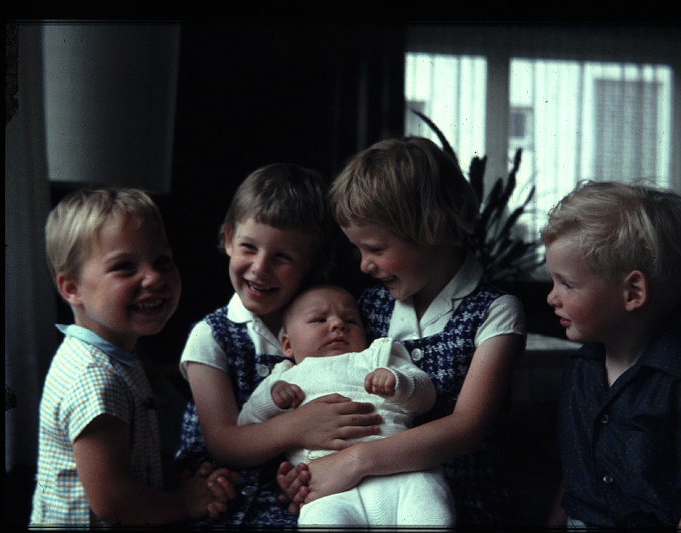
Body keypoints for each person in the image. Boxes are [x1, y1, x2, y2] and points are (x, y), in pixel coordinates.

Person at [278, 137, 527, 527]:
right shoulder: (368, 307)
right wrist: (309, 473)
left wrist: (352, 462)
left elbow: (466, 427)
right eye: (358, 250)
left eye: (375, 248)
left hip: (461, 504)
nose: (364, 265)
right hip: (359, 496)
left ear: (433, 228)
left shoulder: (495, 313)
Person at [172, 164, 384, 527]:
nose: (259, 268)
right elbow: (224, 444)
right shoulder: (212, 336)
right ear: (227, 239)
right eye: (248, 247)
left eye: (282, 257)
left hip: (307, 493)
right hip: (227, 499)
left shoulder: (330, 323)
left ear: (312, 264)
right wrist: (299, 425)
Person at [542, 180, 681, 529]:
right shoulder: (579, 372)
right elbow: (575, 474)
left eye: (567, 284)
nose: (552, 297)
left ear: (633, 292)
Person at [30, 188, 239, 528]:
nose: (154, 277)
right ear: (72, 289)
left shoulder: (115, 358)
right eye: (125, 267)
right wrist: (184, 503)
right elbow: (114, 503)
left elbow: (127, 461)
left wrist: (172, 481)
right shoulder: (96, 378)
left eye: (162, 261)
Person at [238, 283, 455, 526]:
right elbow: (246, 423)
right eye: (319, 320)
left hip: (402, 471)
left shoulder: (377, 356)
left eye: (351, 320)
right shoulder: (283, 379)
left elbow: (426, 397)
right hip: (328, 489)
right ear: (287, 345)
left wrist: (398, 383)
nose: (338, 325)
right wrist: (271, 401)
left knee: (430, 510)